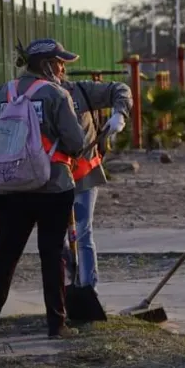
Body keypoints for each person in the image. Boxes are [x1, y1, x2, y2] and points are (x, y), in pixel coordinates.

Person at [0, 39, 86, 340]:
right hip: (53, 187)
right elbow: (75, 142)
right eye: (60, 63)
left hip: (10, 188)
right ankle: (56, 325)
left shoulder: (4, 92)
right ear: (46, 65)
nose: (62, 69)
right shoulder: (56, 94)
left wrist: (12, 157)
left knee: (5, 256)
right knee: (52, 255)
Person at [46, 66, 133, 292]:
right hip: (51, 180)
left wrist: (119, 114)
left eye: (59, 63)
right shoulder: (34, 96)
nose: (58, 69)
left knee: (82, 232)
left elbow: (120, 90)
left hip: (84, 175)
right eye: (52, 63)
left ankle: (88, 290)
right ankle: (65, 289)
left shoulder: (81, 91)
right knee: (57, 239)